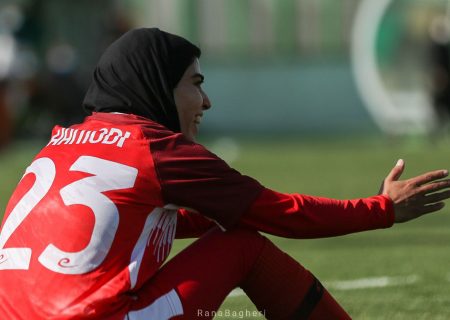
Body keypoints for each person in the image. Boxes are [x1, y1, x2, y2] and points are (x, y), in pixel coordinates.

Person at [1, 28, 450, 320]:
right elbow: (281, 215)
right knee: (242, 244)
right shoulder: (156, 148)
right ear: (158, 86)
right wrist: (381, 209)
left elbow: (128, 222)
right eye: (195, 84)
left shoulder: (62, 140)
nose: (207, 102)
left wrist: (226, 214)